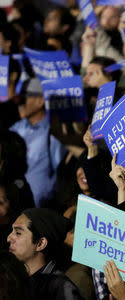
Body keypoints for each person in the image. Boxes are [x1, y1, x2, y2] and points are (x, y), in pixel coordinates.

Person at [10, 78, 67, 208]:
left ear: (40, 101)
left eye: (23, 99)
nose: (19, 104)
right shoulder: (16, 128)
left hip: (38, 206)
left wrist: (46, 197)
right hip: (14, 204)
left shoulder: (53, 131)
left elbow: (59, 171)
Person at [7, 208, 83, 299]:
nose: (9, 238)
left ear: (41, 243)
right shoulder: (11, 280)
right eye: (12, 231)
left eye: (18, 233)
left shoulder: (60, 289)